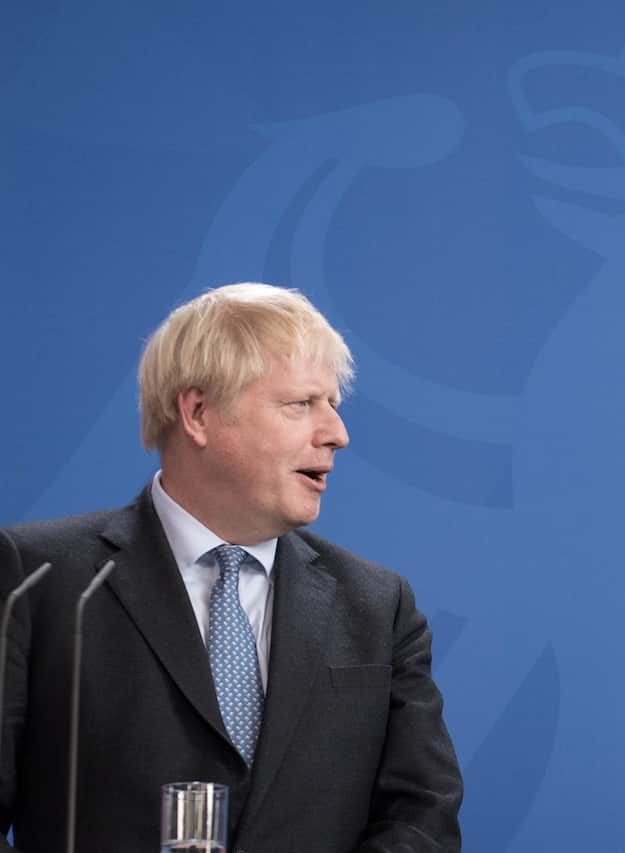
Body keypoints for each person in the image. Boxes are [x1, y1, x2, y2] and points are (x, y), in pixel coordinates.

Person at [0, 283, 463, 852]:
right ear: (198, 413)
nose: (336, 434)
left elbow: (422, 817)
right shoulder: (37, 577)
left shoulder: (378, 604)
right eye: (301, 404)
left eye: (333, 405)